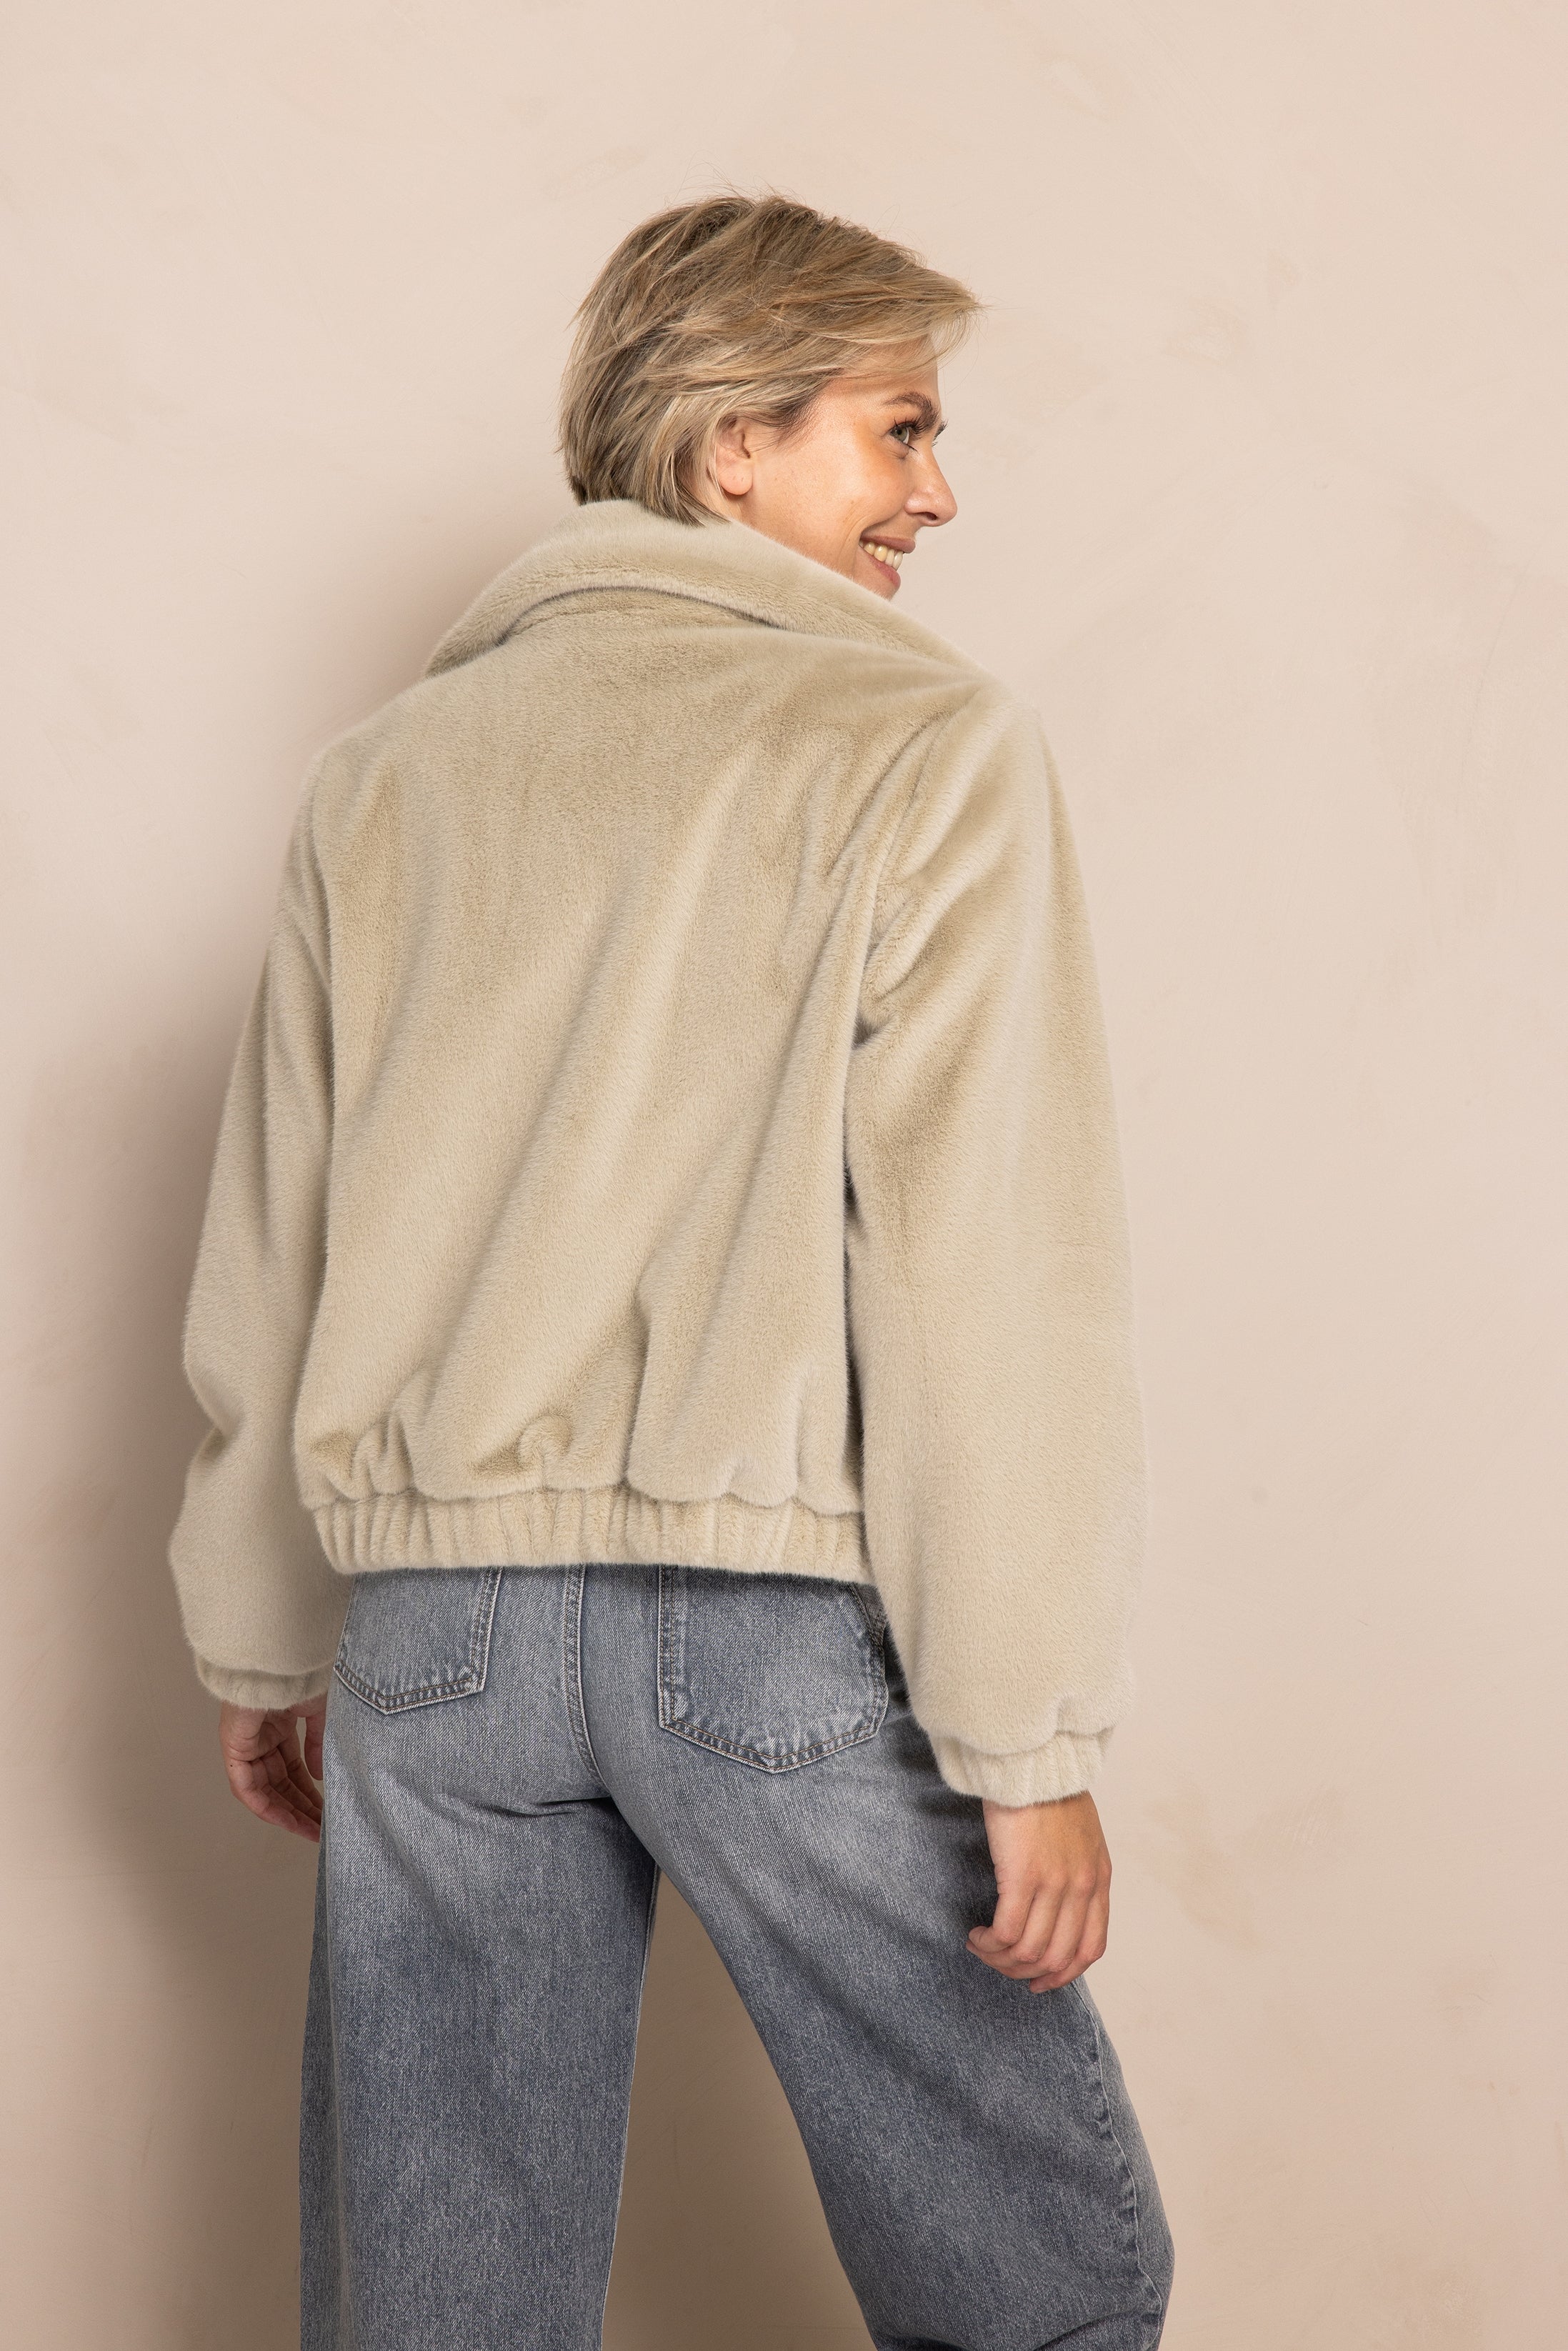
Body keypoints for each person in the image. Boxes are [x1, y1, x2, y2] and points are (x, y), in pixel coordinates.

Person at [167, 193, 1174, 2351]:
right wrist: (1026, 1731)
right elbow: (987, 1274)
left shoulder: (388, 776)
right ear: (733, 445)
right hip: (768, 1627)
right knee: (1040, 2293)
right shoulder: (922, 750)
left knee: (440, 2309)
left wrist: (263, 1630)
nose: (938, 491)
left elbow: (277, 1229)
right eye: (899, 429)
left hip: (434, 1644)